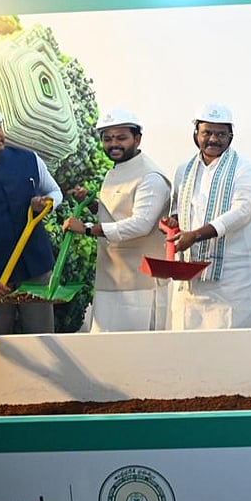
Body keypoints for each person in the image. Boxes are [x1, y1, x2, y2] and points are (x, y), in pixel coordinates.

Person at [165, 102, 251, 329]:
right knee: (190, 344)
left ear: (231, 136)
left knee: (237, 344)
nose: (213, 139)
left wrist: (195, 235)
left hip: (236, 280)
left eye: (221, 134)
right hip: (192, 281)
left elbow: (241, 213)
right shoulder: (184, 170)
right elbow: (178, 206)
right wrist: (172, 220)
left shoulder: (246, 169)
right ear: (196, 133)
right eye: (207, 133)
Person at [63, 107, 170, 332]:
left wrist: (88, 229)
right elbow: (117, 213)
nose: (114, 144)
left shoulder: (151, 177)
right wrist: (92, 204)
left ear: (137, 139)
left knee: (136, 348)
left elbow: (141, 224)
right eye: (108, 139)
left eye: (121, 138)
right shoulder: (116, 170)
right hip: (111, 278)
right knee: (106, 347)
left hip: (140, 283)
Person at [0, 98, 62, 334]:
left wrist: (48, 204)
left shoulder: (29, 159)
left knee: (43, 338)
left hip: (36, 268)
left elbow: (55, 192)